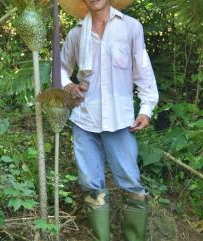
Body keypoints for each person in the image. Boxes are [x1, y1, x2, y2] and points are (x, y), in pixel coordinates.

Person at [59, 0, 159, 240]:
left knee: (131, 182)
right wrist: (68, 84)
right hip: (85, 118)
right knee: (91, 185)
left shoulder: (131, 27)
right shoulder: (76, 33)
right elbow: (60, 68)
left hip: (120, 119)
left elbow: (142, 70)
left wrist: (146, 108)